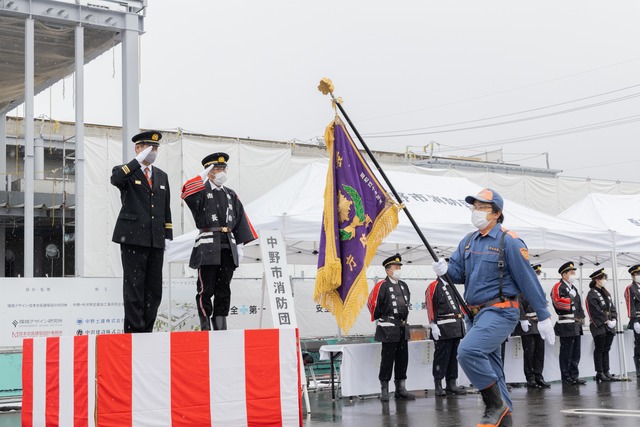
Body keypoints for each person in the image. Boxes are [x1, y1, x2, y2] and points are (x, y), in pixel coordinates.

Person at [431, 188, 554, 427]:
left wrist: (543, 314)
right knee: (494, 369)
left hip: (500, 310)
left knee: (468, 351)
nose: (476, 211)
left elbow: (527, 278)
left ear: (496, 213)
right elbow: (458, 274)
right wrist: (444, 270)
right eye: (474, 206)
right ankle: (504, 416)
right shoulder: (467, 241)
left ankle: (494, 404)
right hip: (474, 314)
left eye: (482, 207)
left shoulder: (508, 241)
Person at [181, 152, 258, 331]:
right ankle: (205, 324)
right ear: (209, 171)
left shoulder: (231, 194)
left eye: (223, 168)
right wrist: (201, 176)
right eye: (217, 168)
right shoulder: (200, 192)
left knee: (224, 288)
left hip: (227, 245)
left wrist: (239, 244)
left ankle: (221, 323)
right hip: (207, 245)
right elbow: (185, 192)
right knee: (206, 288)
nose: (221, 171)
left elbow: (240, 220)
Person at [111, 130, 173, 333]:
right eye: (148, 147)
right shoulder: (126, 171)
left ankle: (147, 331)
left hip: (156, 239)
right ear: (138, 149)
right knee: (134, 288)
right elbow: (116, 179)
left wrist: (168, 236)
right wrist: (136, 161)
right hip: (133, 237)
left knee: (154, 289)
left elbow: (166, 208)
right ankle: (133, 332)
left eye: (155, 148)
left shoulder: (162, 176)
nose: (152, 151)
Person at [367, 254, 416, 402]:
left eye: (399, 267)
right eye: (396, 267)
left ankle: (400, 389)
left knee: (403, 359)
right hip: (388, 328)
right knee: (387, 360)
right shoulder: (382, 285)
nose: (398, 270)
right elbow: (372, 303)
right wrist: (382, 318)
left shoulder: (403, 285)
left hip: (402, 328)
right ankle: (384, 390)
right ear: (388, 271)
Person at [425, 276, 466, 396]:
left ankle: (451, 383)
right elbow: (429, 305)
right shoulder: (433, 286)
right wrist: (433, 324)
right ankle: (438, 384)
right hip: (443, 326)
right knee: (441, 357)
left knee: (454, 356)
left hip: (455, 326)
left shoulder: (451, 285)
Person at [512, 264, 551, 388]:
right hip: (528, 322)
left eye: (539, 274)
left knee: (540, 351)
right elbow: (519, 305)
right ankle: (530, 378)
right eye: (536, 274)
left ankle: (539, 376)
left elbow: (544, 306)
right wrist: (522, 319)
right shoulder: (522, 289)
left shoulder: (540, 290)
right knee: (529, 352)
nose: (538, 276)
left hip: (539, 322)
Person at [550, 261, 586, 385]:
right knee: (566, 352)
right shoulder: (558, 286)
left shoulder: (573, 288)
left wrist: (582, 318)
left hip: (575, 323)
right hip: (566, 323)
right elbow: (557, 302)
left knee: (576, 352)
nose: (573, 275)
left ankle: (574, 375)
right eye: (571, 273)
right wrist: (570, 298)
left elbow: (579, 305)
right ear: (564, 275)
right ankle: (566, 377)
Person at [585, 268, 619, 382]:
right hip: (598, 325)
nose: (605, 280)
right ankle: (599, 372)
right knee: (599, 348)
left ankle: (606, 371)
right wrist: (606, 320)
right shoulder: (591, 294)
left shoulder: (605, 293)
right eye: (603, 278)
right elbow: (595, 310)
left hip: (609, 325)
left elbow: (612, 307)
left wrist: (614, 319)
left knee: (606, 348)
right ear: (597, 280)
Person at [624, 264, 640, 378]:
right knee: (639, 345)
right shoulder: (630, 288)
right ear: (633, 276)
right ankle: (639, 369)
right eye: (637, 274)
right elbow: (630, 305)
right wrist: (634, 321)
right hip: (638, 318)